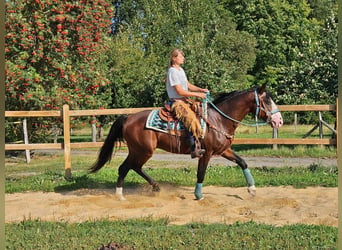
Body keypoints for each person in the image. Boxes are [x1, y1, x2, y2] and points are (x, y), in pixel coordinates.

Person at [166, 48, 209, 158]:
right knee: (190, 119)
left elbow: (187, 85)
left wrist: (200, 90)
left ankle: (203, 140)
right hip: (177, 102)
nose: (183, 58)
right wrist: (197, 95)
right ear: (174, 58)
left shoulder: (180, 70)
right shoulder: (172, 71)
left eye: (182, 56)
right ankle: (193, 147)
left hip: (185, 101)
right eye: (181, 56)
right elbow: (179, 91)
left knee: (201, 113)